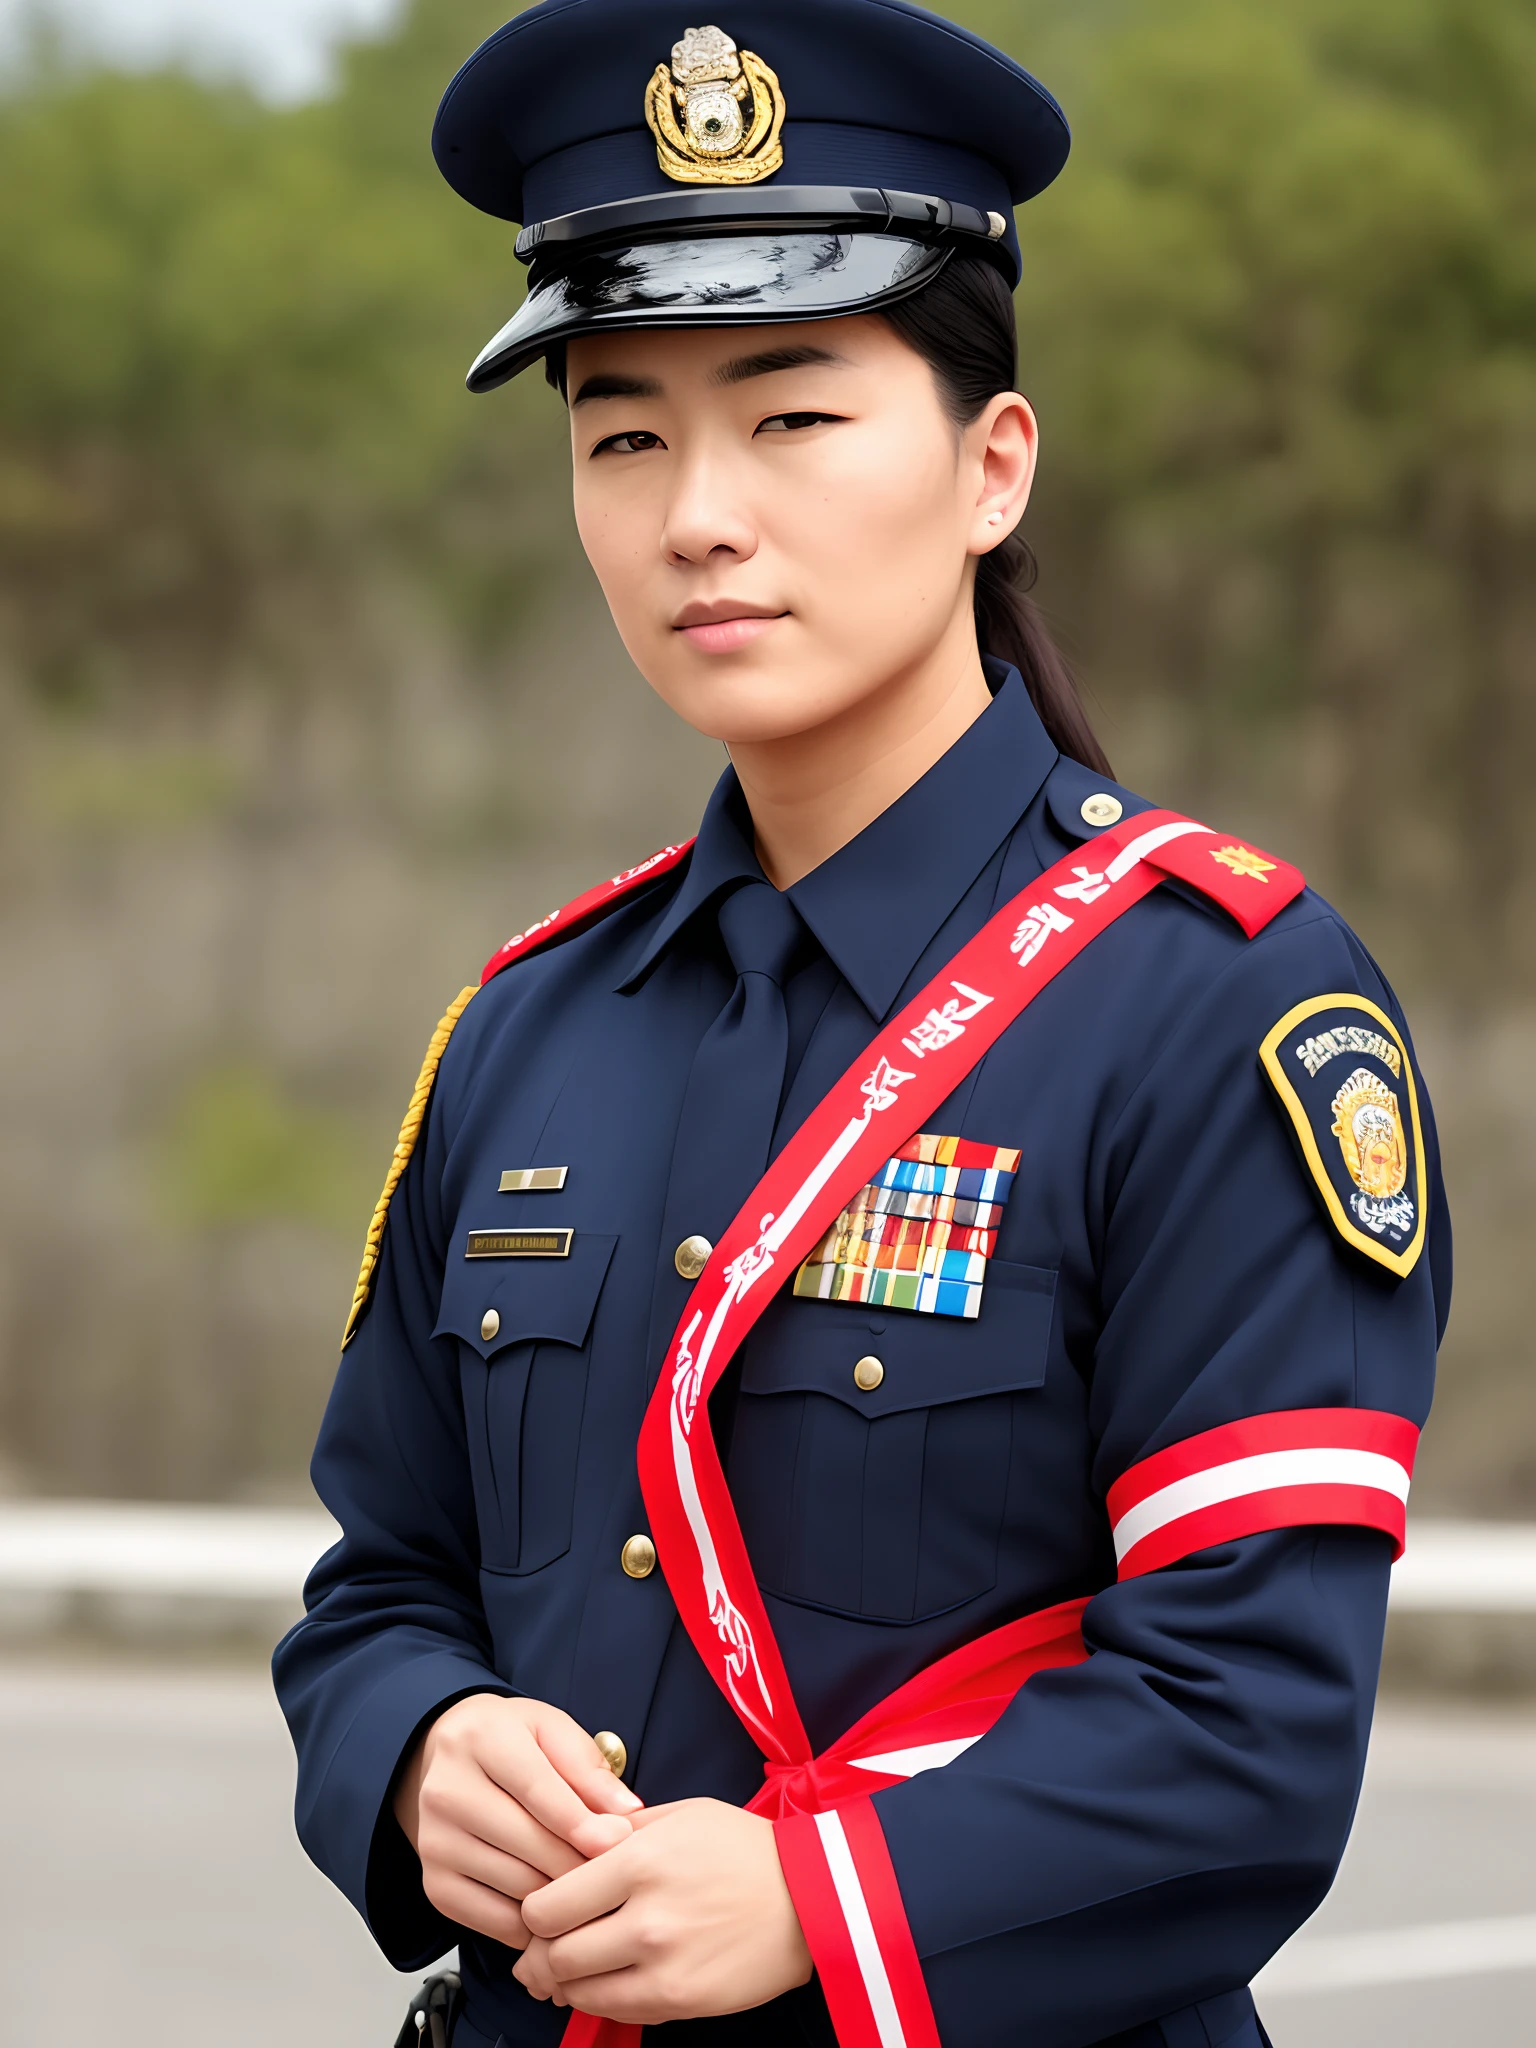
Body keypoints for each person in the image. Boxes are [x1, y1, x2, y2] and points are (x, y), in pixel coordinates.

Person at [273, 5, 1449, 2046]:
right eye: (622, 431)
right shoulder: (529, 1028)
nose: (697, 515)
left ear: (994, 465)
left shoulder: (1216, 1002)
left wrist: (825, 1894)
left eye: (793, 418)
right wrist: (415, 1747)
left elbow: (1248, 1717)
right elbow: (381, 1577)